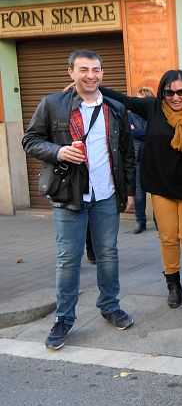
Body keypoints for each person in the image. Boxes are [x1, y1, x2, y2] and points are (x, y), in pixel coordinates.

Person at [22, 49, 136, 349]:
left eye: (96, 69)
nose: (90, 75)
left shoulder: (114, 108)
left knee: (108, 254)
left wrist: (129, 191)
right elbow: (30, 140)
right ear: (70, 72)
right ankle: (63, 320)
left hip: (106, 194)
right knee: (68, 259)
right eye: (83, 69)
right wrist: (58, 152)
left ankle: (110, 306)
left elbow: (126, 153)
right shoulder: (53, 104)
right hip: (69, 195)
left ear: (102, 73)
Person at [100, 71, 182, 308]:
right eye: (169, 92)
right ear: (162, 92)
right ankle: (173, 284)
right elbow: (123, 99)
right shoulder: (152, 108)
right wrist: (89, 87)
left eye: (181, 92)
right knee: (168, 238)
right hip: (161, 186)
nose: (175, 97)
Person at [130, 86, 154, 234]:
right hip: (137, 158)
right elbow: (129, 133)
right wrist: (145, 132)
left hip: (154, 157)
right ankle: (140, 222)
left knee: (158, 192)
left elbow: (150, 133)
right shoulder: (129, 116)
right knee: (139, 193)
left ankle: (159, 222)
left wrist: (136, 132)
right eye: (139, 100)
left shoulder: (155, 114)